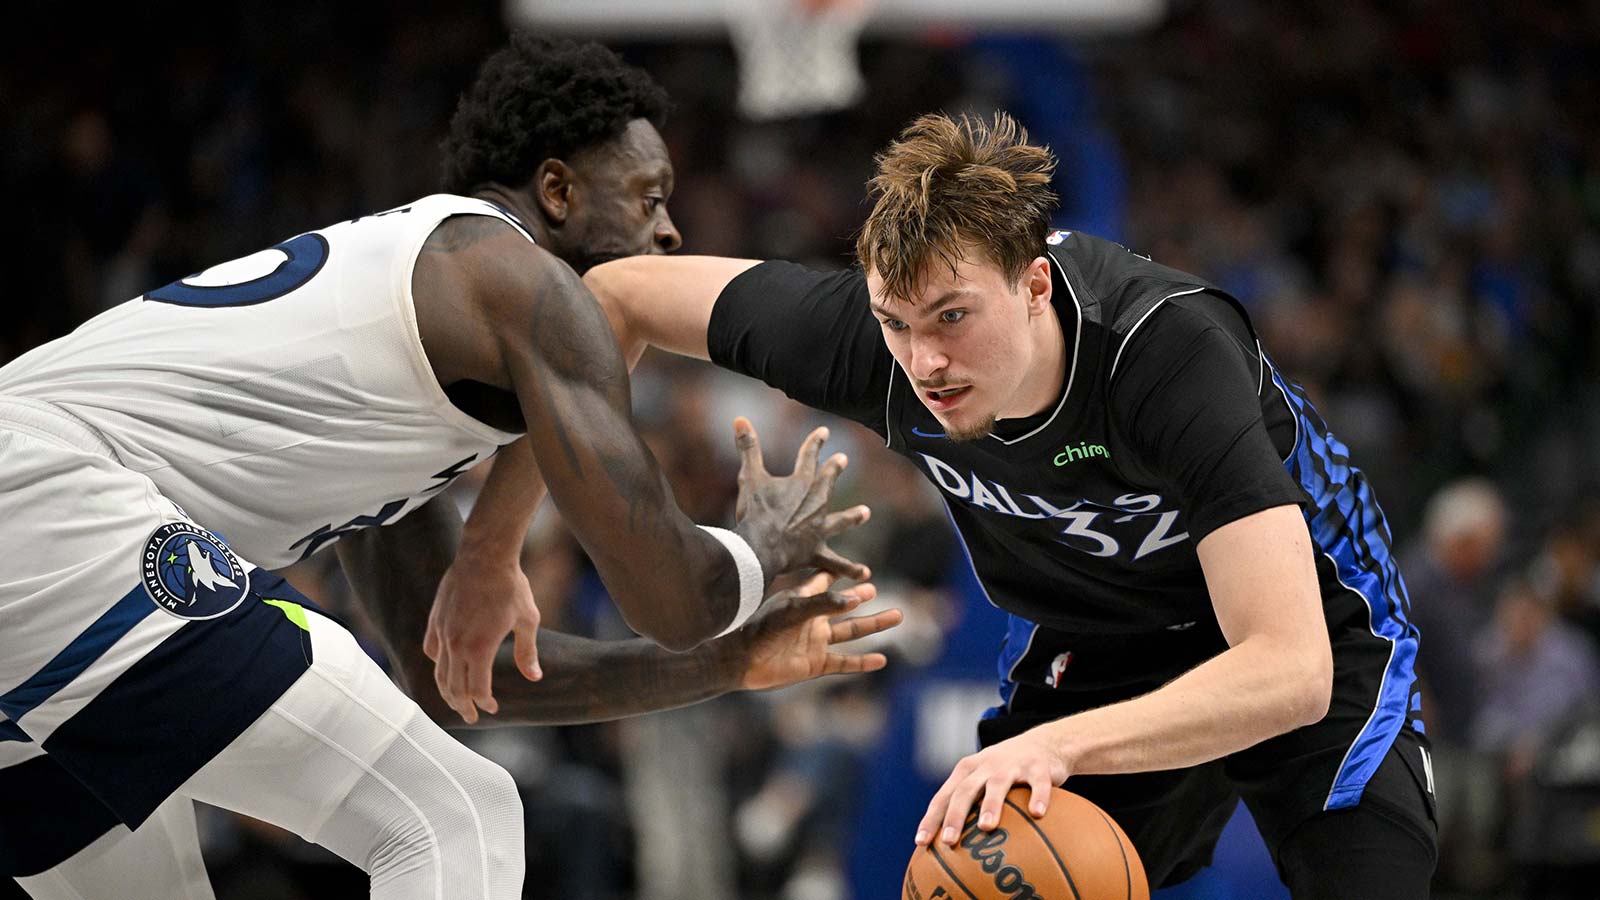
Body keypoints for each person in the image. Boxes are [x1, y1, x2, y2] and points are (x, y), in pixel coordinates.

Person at [0, 35, 890, 899]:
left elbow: (458, 678)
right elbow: (672, 598)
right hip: (50, 500)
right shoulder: (516, 279)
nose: (670, 230)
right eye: (648, 196)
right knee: (456, 817)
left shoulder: (394, 352)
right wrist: (760, 547)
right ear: (557, 190)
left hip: (36, 537)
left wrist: (727, 664)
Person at [579, 112, 1437, 897]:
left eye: (952, 318)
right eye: (896, 323)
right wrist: (516, 548)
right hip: (1104, 636)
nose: (926, 362)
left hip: (1312, 616)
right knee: (983, 874)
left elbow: (1291, 670)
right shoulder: (865, 343)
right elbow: (610, 298)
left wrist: (1060, 743)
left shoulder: (1166, 354)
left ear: (1034, 284)